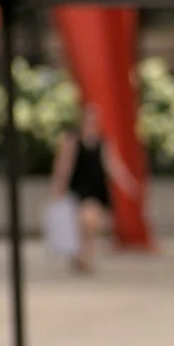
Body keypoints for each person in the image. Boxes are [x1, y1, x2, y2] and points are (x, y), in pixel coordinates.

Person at [49, 100, 139, 273]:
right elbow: (64, 164)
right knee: (83, 223)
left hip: (97, 188)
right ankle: (81, 255)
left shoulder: (103, 142)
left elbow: (113, 165)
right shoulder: (73, 139)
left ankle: (86, 257)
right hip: (80, 187)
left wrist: (127, 183)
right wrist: (58, 185)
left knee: (92, 224)